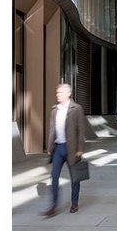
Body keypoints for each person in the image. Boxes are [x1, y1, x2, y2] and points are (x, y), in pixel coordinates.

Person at [43, 83, 86, 217]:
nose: (57, 95)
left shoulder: (76, 108)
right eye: (57, 93)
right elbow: (52, 129)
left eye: (60, 93)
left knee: (75, 177)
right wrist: (50, 147)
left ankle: (74, 202)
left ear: (68, 94)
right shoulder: (54, 109)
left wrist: (80, 149)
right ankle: (53, 205)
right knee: (54, 176)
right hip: (58, 148)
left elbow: (81, 129)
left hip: (71, 148)